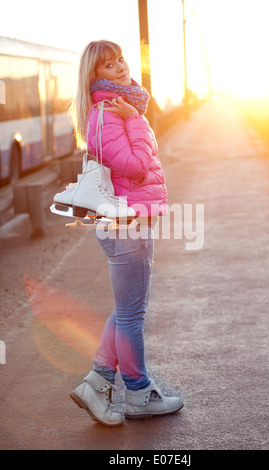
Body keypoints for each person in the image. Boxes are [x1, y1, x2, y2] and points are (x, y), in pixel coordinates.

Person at [66, 40, 184, 426]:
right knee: (132, 313)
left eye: (120, 60)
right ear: (94, 76)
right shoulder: (108, 112)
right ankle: (137, 391)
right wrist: (135, 118)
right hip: (126, 222)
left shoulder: (111, 108)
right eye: (107, 65)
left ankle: (98, 383)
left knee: (126, 309)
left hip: (125, 220)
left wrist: (133, 114)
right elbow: (135, 167)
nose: (119, 67)